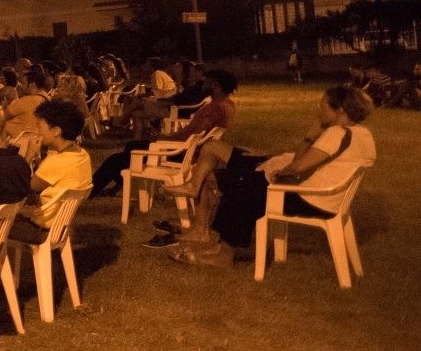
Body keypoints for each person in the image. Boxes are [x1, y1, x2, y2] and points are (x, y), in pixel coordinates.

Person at [156, 86, 377, 262]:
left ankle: (222, 255)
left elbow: (298, 166)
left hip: (309, 198)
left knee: (237, 189)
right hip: (326, 198)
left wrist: (310, 136)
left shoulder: (336, 132)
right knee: (234, 183)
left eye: (323, 105)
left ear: (339, 110)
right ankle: (218, 245)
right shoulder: (363, 135)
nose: (319, 110)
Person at [90, 69, 239, 196]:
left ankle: (91, 191)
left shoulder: (214, 108)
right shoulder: (227, 105)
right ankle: (121, 185)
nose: (202, 84)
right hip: (187, 149)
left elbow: (193, 136)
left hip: (180, 153)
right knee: (131, 147)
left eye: (206, 82)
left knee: (115, 160)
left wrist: (165, 139)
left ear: (216, 86)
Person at [8, 100, 93, 245]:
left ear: (56, 131)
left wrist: (28, 156)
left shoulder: (56, 162)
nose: (37, 131)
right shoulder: (81, 155)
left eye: (39, 126)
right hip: (62, 225)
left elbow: (29, 187)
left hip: (41, 229)